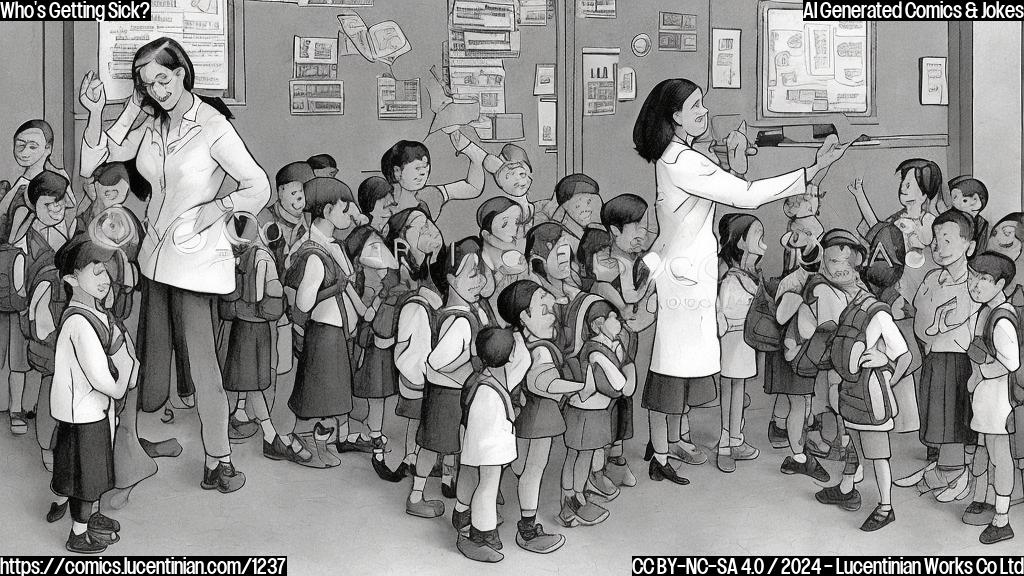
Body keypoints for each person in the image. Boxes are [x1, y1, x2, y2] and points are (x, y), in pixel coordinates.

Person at [631, 78, 848, 485]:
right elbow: (745, 195)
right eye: (696, 106)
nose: (704, 112)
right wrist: (815, 169)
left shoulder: (681, 157)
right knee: (668, 369)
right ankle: (659, 454)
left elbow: (672, 227)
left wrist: (651, 266)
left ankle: (669, 443)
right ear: (675, 117)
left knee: (681, 368)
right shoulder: (682, 161)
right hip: (685, 281)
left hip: (686, 276)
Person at [79, 37, 272, 492]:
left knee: (203, 362)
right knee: (143, 356)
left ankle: (218, 459)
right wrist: (107, 110)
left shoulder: (212, 125)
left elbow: (257, 185)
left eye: (163, 79)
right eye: (148, 84)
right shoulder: (151, 123)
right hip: (153, 258)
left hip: (195, 261)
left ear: (182, 72)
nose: (158, 90)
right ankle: (124, 451)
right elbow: (94, 160)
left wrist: (219, 208)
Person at [812, 230, 911, 533]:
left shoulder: (877, 313)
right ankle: (846, 489)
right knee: (854, 446)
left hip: (870, 395)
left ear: (858, 268)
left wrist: (886, 370)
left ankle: (885, 506)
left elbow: (904, 355)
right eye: (830, 263)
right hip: (850, 390)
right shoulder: (848, 307)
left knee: (878, 455)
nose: (833, 270)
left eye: (841, 264)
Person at [50, 237, 135, 553]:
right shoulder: (78, 323)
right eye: (95, 272)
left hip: (96, 410)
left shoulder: (97, 314)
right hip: (83, 413)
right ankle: (77, 533)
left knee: (95, 472)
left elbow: (120, 349)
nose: (105, 279)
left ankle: (94, 517)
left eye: (106, 271)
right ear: (71, 279)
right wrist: (126, 370)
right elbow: (107, 382)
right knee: (86, 478)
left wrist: (125, 360)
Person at [284, 177, 367, 468]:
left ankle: (319, 443)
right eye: (345, 210)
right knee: (316, 394)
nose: (350, 215)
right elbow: (304, 302)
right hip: (322, 332)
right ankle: (303, 443)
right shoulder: (314, 253)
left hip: (338, 333)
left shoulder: (334, 246)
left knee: (331, 394)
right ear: (328, 209)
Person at [420, 237, 495, 533]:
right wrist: (471, 369)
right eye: (472, 274)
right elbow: (436, 363)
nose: (479, 281)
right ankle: (417, 494)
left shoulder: (476, 311)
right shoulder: (460, 320)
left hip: (460, 395)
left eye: (481, 274)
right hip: (445, 396)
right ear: (451, 279)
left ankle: (453, 490)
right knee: (433, 446)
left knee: (457, 447)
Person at [905, 209, 980, 498]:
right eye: (935, 241)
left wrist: (934, 319)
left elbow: (952, 319)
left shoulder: (974, 283)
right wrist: (932, 323)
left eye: (948, 240)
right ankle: (943, 468)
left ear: (969, 246)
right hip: (934, 355)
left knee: (954, 414)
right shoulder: (933, 278)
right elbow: (922, 320)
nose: (938, 248)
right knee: (935, 411)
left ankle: (951, 472)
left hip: (959, 357)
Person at [499, 280, 574, 554]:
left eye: (550, 308)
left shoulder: (522, 342)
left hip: (528, 414)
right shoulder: (538, 349)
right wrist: (579, 387)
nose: (552, 314)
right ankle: (528, 530)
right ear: (524, 318)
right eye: (544, 310)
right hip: (536, 416)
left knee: (520, 466)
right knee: (532, 470)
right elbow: (543, 382)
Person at [17, 171, 76, 470]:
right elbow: (31, 287)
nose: (56, 209)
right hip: (45, 319)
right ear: (34, 205)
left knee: (64, 386)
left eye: (60, 202)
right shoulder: (29, 238)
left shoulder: (65, 229)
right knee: (51, 384)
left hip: (66, 314)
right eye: (48, 204)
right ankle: (46, 448)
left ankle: (58, 446)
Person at [456, 326, 530, 563]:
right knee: (487, 486)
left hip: (477, 439)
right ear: (509, 356)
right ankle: (480, 535)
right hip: (489, 444)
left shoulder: (482, 377)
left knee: (475, 479)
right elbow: (525, 359)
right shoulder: (498, 382)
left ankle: (466, 517)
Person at [559, 297, 635, 527]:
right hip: (584, 414)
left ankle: (575, 501)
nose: (618, 322)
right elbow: (620, 384)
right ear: (596, 325)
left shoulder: (613, 346)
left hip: (596, 413)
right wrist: (627, 381)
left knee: (584, 456)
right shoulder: (596, 352)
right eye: (612, 318)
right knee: (577, 457)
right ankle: (571, 501)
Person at [962, 252, 1019, 544]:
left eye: (983, 279)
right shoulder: (985, 311)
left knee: (1001, 456)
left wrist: (981, 372)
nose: (975, 284)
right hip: (985, 399)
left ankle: (1002, 518)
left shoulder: (1002, 318)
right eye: (972, 277)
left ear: (1000, 283)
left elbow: (1010, 362)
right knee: (983, 450)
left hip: (1000, 401)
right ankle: (983, 499)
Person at [344, 224, 408, 481]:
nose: (378, 248)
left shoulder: (391, 271)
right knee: (376, 394)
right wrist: (379, 295)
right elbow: (366, 314)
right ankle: (374, 437)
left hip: (390, 341)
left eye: (378, 243)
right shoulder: (367, 279)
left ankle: (374, 435)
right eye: (372, 246)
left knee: (381, 394)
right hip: (372, 344)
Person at [390, 207, 446, 499]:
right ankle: (413, 458)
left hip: (440, 365)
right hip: (419, 366)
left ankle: (425, 460)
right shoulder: (406, 283)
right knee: (418, 414)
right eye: (416, 226)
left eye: (428, 222)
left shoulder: (440, 271)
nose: (428, 228)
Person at [715, 214, 765, 473]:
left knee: (738, 390)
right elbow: (725, 308)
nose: (763, 241)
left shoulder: (749, 272)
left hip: (744, 341)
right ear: (742, 242)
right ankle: (726, 444)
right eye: (757, 234)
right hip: (733, 338)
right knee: (730, 390)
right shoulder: (731, 276)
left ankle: (735, 439)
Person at [380, 132, 487, 221]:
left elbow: (473, 188)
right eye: (417, 168)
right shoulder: (382, 199)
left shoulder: (430, 195)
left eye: (425, 167)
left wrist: (469, 150)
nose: (423, 173)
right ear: (397, 171)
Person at [477, 197, 529, 319]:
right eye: (505, 224)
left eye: (516, 222)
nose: (514, 229)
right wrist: (501, 274)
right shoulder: (476, 263)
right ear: (486, 234)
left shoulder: (517, 260)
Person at [948, 176, 991, 254]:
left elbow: (981, 248)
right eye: (965, 200)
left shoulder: (982, 222)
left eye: (964, 200)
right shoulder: (951, 219)